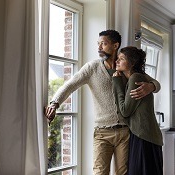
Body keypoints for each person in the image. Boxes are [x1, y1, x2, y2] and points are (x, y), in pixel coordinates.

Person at [44, 30, 161, 175]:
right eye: (98, 44)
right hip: (102, 132)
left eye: (103, 44)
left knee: (122, 173)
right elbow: (70, 85)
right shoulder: (92, 68)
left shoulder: (125, 68)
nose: (99, 47)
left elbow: (155, 82)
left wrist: (152, 86)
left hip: (125, 132)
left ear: (115, 45)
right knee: (100, 172)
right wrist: (54, 103)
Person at [112, 46, 163, 175]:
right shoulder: (138, 77)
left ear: (132, 62)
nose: (117, 61)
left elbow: (125, 111)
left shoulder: (135, 78)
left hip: (143, 135)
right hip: (145, 134)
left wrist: (117, 82)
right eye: (117, 58)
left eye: (121, 59)